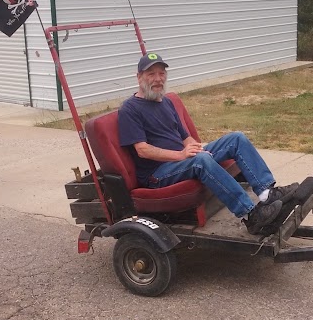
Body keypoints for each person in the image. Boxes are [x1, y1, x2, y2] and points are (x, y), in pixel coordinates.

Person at [118, 52, 298, 234]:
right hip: (158, 173)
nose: (158, 79)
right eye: (151, 74)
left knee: (236, 138)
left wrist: (196, 149)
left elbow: (184, 136)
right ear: (139, 77)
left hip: (182, 160)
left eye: (161, 73)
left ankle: (266, 194)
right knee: (201, 162)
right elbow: (143, 150)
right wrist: (183, 155)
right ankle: (252, 215)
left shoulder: (166, 102)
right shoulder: (130, 109)